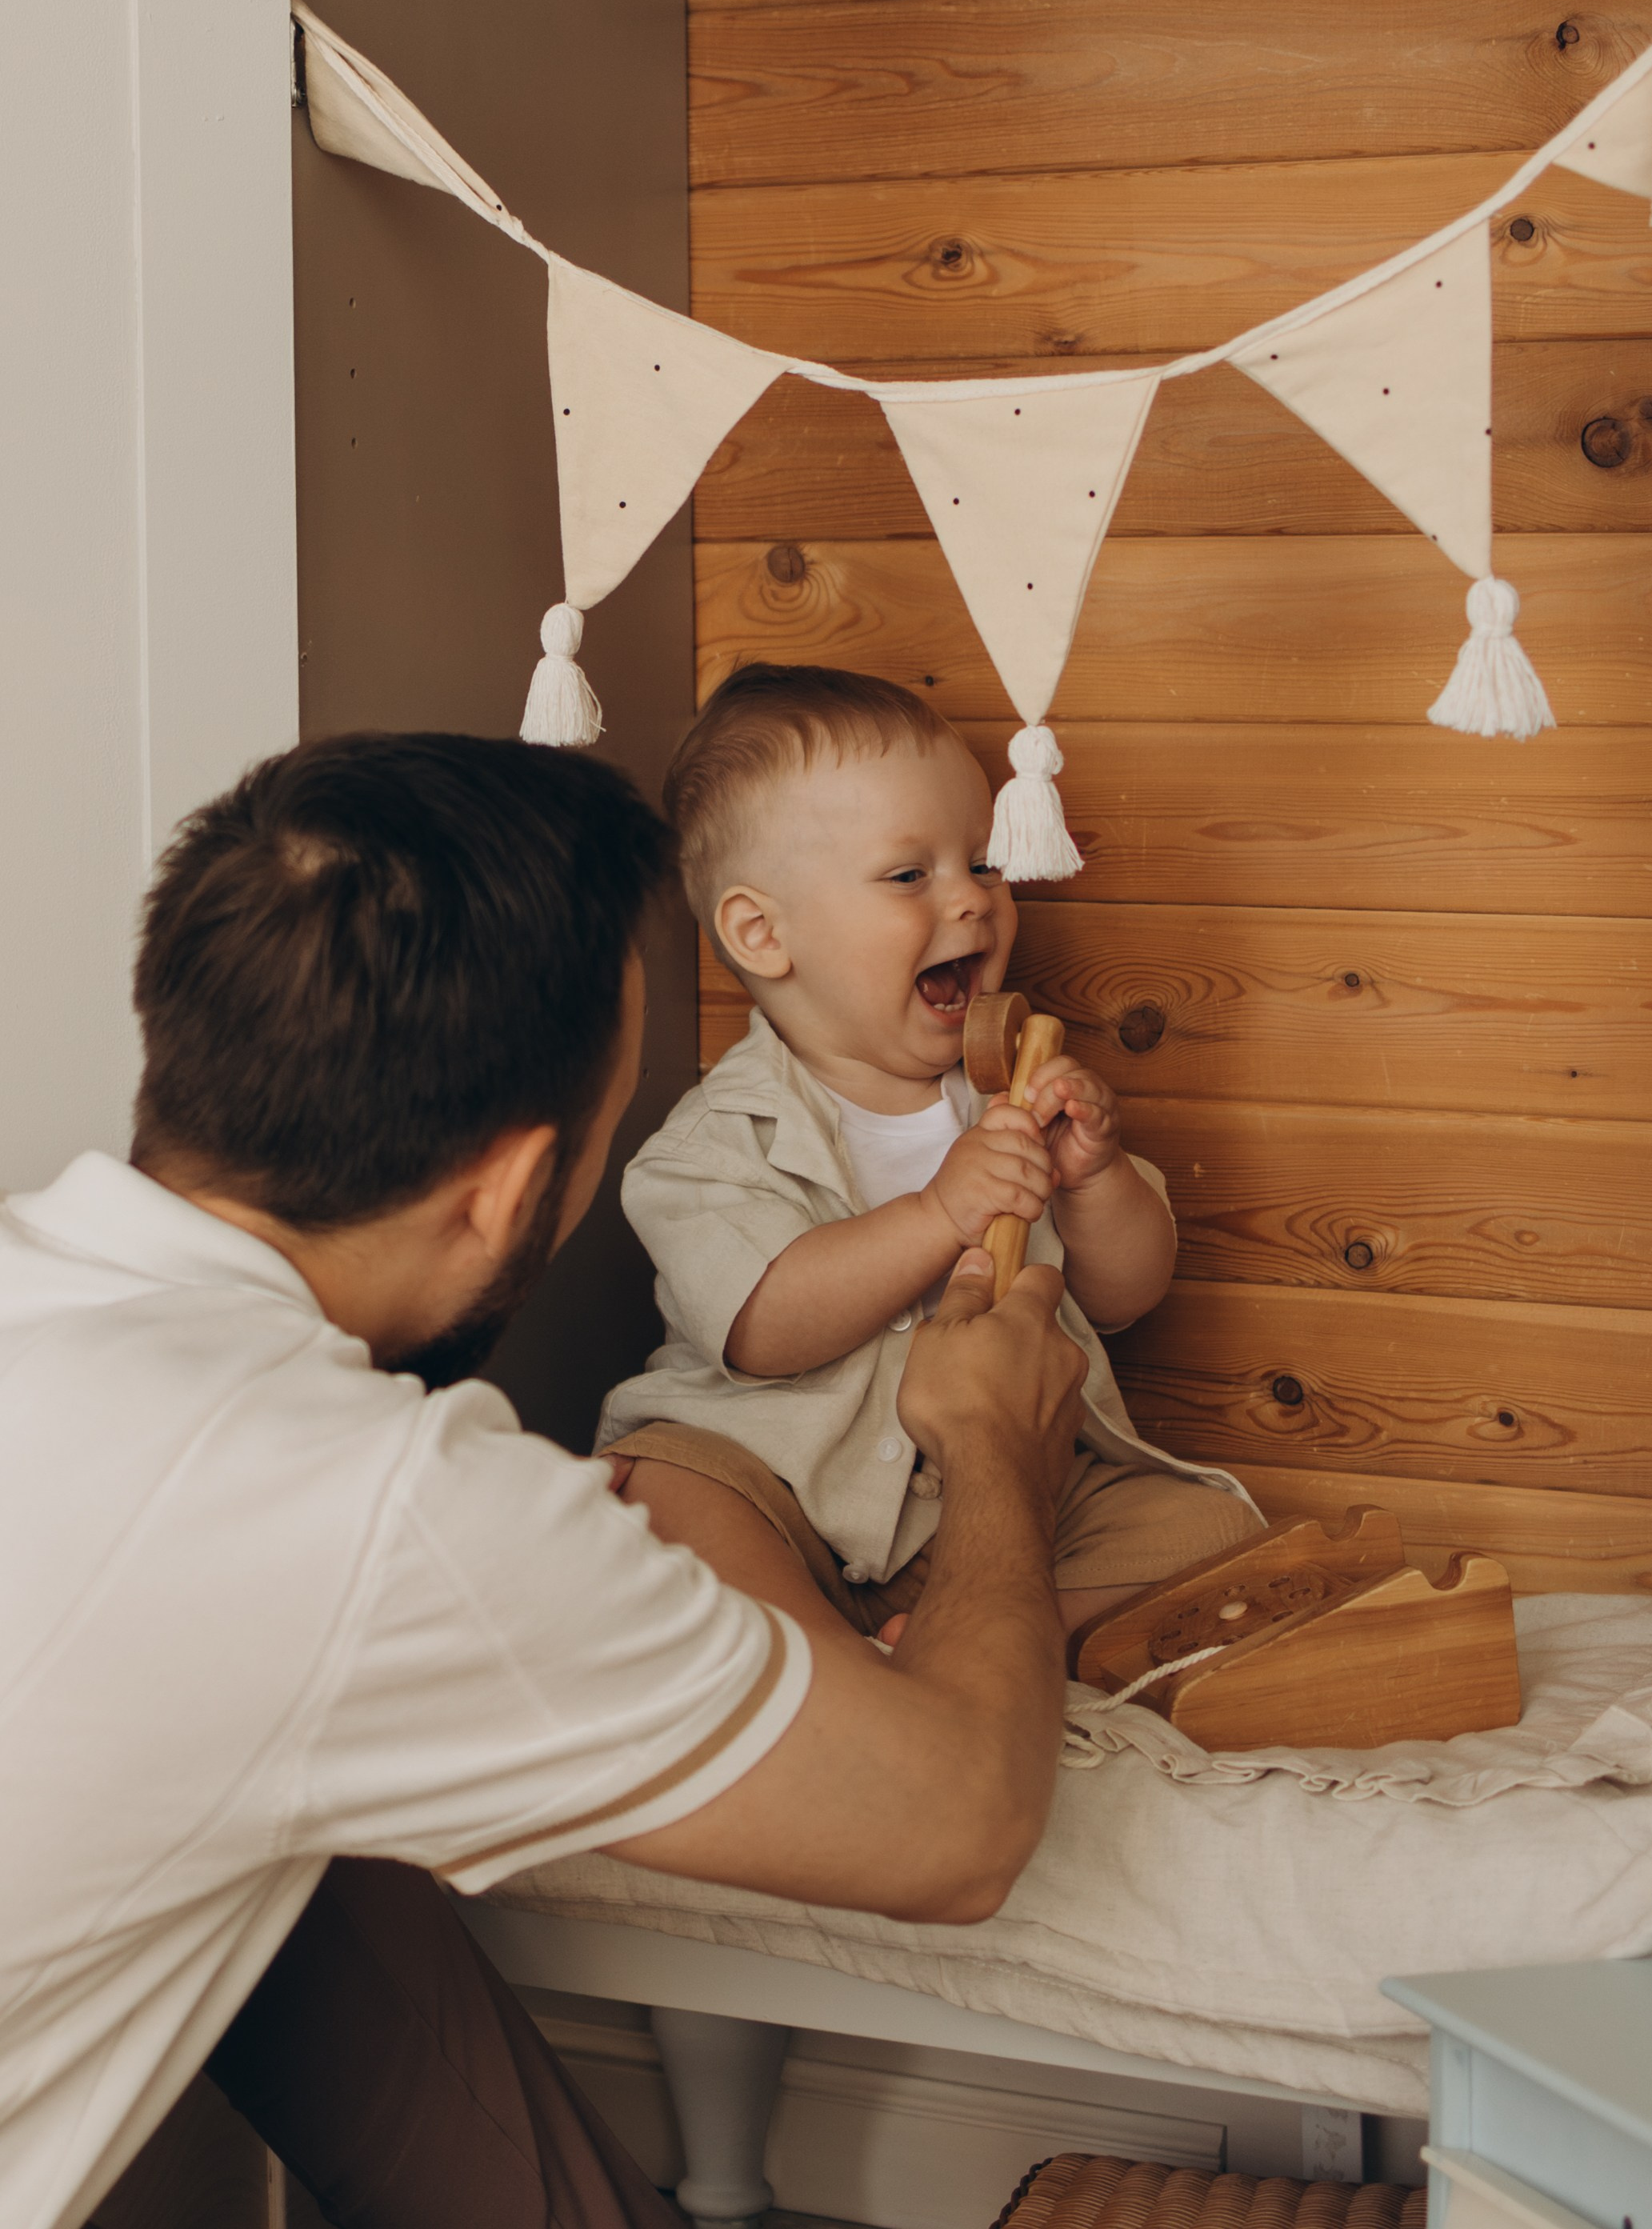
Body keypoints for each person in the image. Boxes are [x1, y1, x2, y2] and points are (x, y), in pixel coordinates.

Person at [0, 731, 1091, 2229]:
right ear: (515, 1189)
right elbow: (963, 1822)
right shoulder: (372, 1505)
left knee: (312, 1853)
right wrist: (991, 1449)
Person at [599, 666, 1258, 1657]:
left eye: (984, 863)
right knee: (662, 1495)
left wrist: (1094, 1179)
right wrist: (938, 1214)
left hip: (998, 1503)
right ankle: (848, 1652)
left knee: (1216, 1535)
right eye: (911, 876)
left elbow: (1128, 1293)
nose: (973, 902)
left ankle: (958, 1637)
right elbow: (763, 1328)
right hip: (784, 1489)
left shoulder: (1011, 1102)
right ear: (761, 933)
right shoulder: (710, 1145)